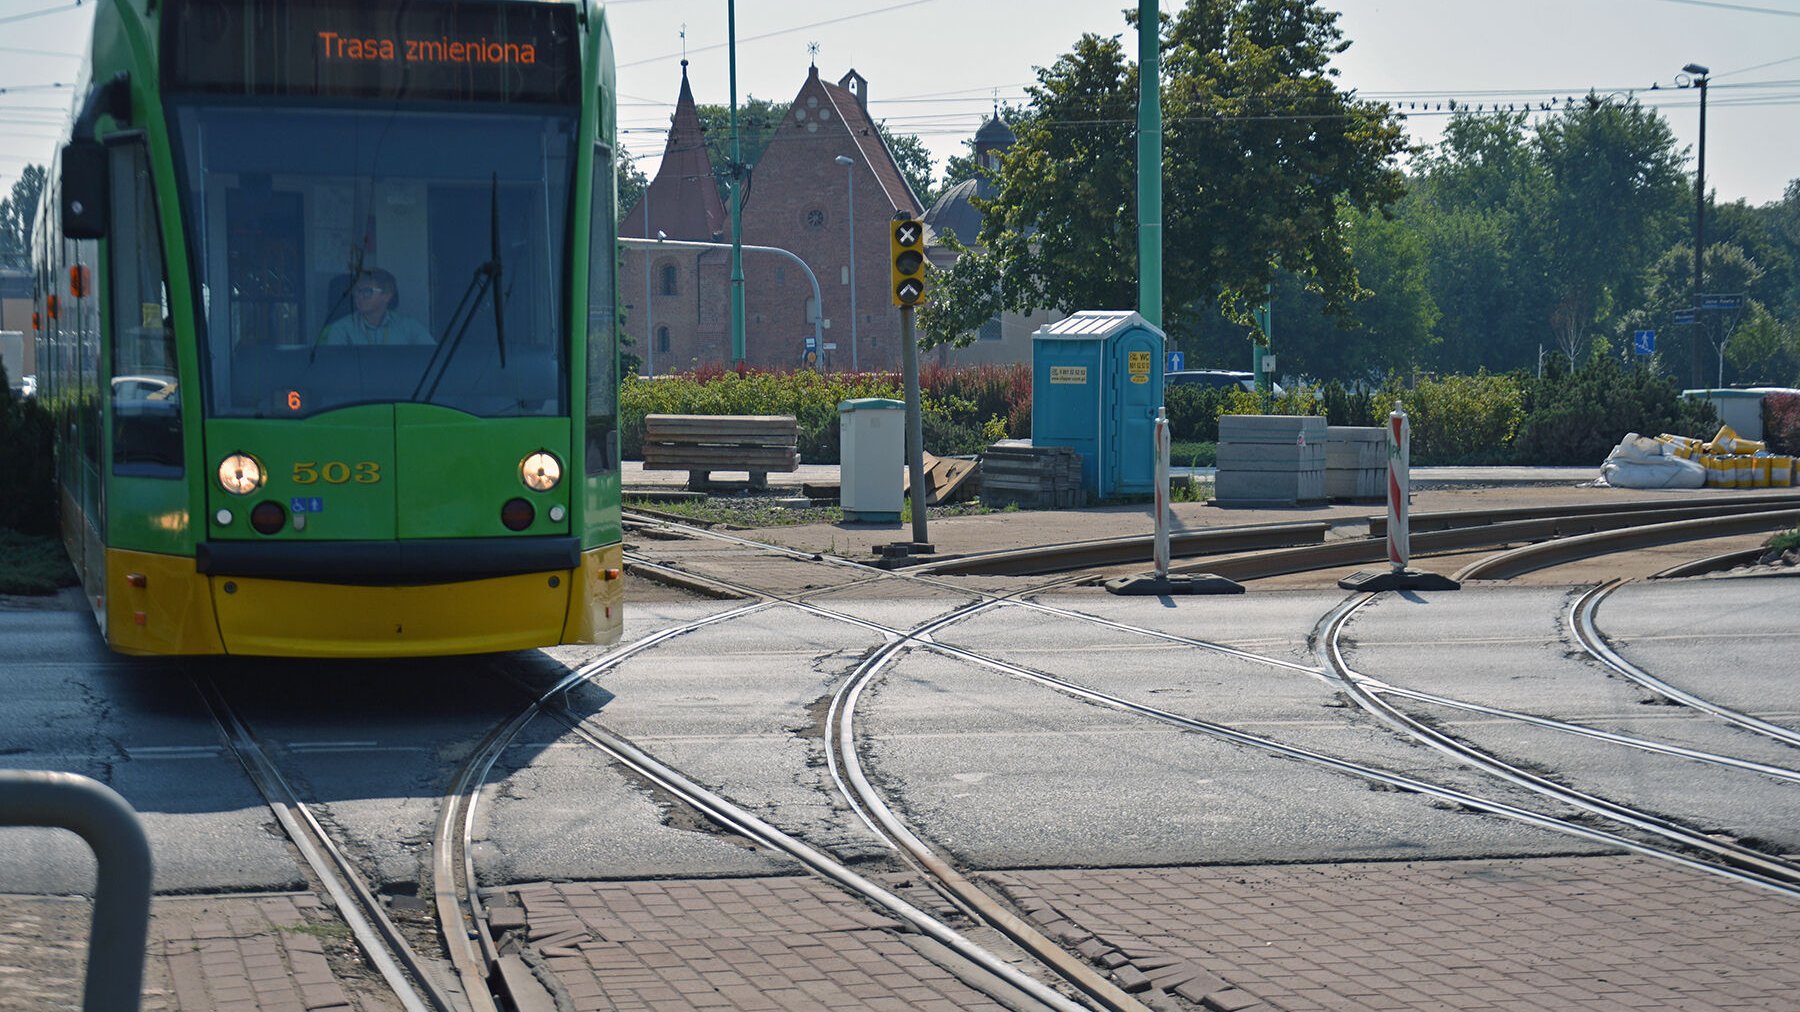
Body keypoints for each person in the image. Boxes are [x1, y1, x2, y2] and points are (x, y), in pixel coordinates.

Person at [321, 268, 434, 346]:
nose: (360, 296)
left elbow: (432, 357)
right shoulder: (340, 329)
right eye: (357, 291)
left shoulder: (409, 327)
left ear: (387, 296)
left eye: (367, 291)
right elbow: (337, 370)